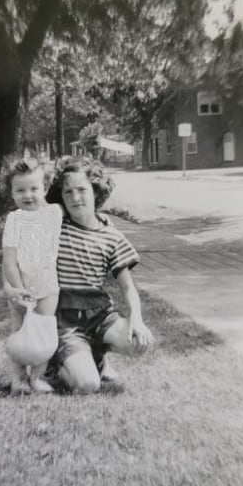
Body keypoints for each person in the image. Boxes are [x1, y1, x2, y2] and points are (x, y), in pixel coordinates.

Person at [46, 155, 153, 393]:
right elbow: (32, 208)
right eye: (67, 192)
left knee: (139, 342)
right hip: (66, 320)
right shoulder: (56, 226)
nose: (75, 198)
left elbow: (127, 287)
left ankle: (97, 353)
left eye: (82, 190)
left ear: (96, 190)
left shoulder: (111, 235)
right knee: (87, 384)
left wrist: (136, 320)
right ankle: (57, 363)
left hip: (100, 315)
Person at [0, 156, 62, 394]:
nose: (28, 195)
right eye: (20, 190)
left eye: (34, 189)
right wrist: (17, 289)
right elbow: (9, 259)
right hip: (21, 285)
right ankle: (18, 378)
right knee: (19, 333)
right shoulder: (13, 220)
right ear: (12, 193)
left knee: (43, 332)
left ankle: (37, 377)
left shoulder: (54, 213)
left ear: (45, 188)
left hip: (47, 286)